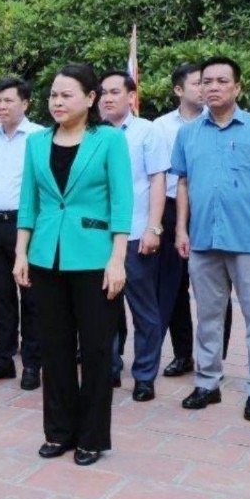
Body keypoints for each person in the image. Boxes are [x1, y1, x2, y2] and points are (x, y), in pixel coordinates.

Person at [13, 63, 131, 467]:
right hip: (46, 256)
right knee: (55, 347)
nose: (57, 102)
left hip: (95, 257)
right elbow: (29, 202)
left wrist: (118, 259)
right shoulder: (36, 142)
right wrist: (20, 253)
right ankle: (58, 431)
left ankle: (92, 436)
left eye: (66, 95)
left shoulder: (110, 141)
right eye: (53, 95)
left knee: (97, 350)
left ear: (90, 99)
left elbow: (122, 204)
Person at [173, 56, 250, 423]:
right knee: (207, 316)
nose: (213, 87)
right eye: (206, 82)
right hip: (203, 239)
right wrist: (181, 230)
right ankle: (207, 382)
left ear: (238, 87)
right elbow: (182, 183)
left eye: (221, 81)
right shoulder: (187, 133)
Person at [154, 65, 233, 377]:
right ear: (178, 90)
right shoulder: (159, 127)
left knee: (216, 286)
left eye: (210, 82)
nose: (205, 88)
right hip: (172, 209)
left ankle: (214, 357)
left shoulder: (221, 123)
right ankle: (183, 354)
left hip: (211, 209)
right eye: (198, 83)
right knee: (173, 287)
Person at [98, 70, 170, 401]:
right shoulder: (91, 134)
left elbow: (158, 180)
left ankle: (144, 375)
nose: (107, 98)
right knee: (103, 308)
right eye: (103, 93)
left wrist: (154, 227)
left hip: (136, 234)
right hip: (98, 238)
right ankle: (109, 368)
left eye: (115, 92)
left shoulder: (147, 132)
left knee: (144, 310)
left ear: (131, 96)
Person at [0, 77, 43, 389]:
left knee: (31, 296)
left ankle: (32, 363)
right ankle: (3, 359)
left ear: (25, 103)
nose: (1, 106)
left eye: (8, 101)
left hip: (27, 225)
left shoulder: (40, 136)